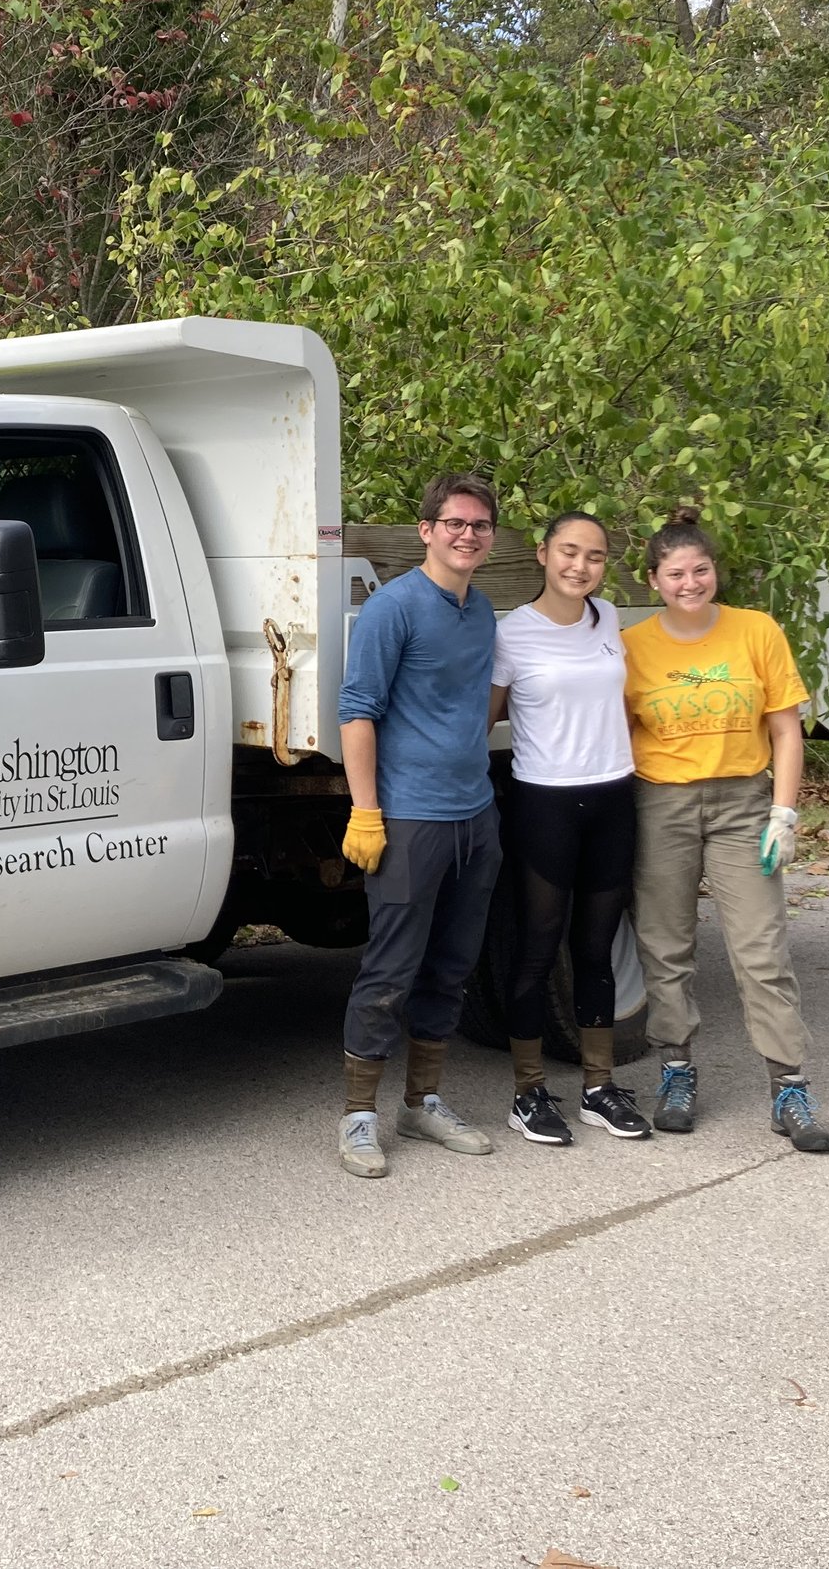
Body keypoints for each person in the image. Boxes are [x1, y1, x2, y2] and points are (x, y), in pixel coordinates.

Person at [623, 507, 829, 1154]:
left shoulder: (756, 630)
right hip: (663, 804)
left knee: (761, 950)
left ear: (715, 571)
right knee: (665, 947)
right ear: (654, 580)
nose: (690, 582)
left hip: (746, 805)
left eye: (701, 569)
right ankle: (677, 1071)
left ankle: (789, 1087)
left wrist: (785, 811)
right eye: (675, 573)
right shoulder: (633, 646)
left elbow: (786, 727)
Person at [334, 472, 506, 1178]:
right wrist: (366, 809)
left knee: (453, 965)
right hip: (407, 819)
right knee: (390, 970)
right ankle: (358, 1117)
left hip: (475, 815)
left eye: (480, 525)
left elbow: (475, 706)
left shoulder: (482, 610)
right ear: (427, 529)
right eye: (455, 522)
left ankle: (423, 1101)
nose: (468, 534)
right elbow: (356, 711)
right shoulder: (395, 608)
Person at [488, 511, 652, 1146]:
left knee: (597, 949)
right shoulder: (512, 635)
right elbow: (485, 720)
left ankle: (598, 1087)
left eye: (595, 556)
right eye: (569, 552)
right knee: (536, 948)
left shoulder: (608, 618)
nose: (580, 566)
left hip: (612, 798)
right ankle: (528, 1094)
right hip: (544, 804)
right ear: (543, 554)